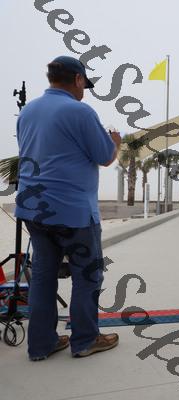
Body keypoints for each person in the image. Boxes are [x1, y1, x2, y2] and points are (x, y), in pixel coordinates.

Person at [15, 56, 121, 360]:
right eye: (84, 84)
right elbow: (105, 157)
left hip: (34, 210)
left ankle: (41, 344)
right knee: (87, 276)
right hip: (74, 212)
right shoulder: (80, 111)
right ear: (77, 79)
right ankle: (85, 340)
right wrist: (115, 142)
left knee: (43, 276)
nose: (84, 90)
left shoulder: (27, 111)